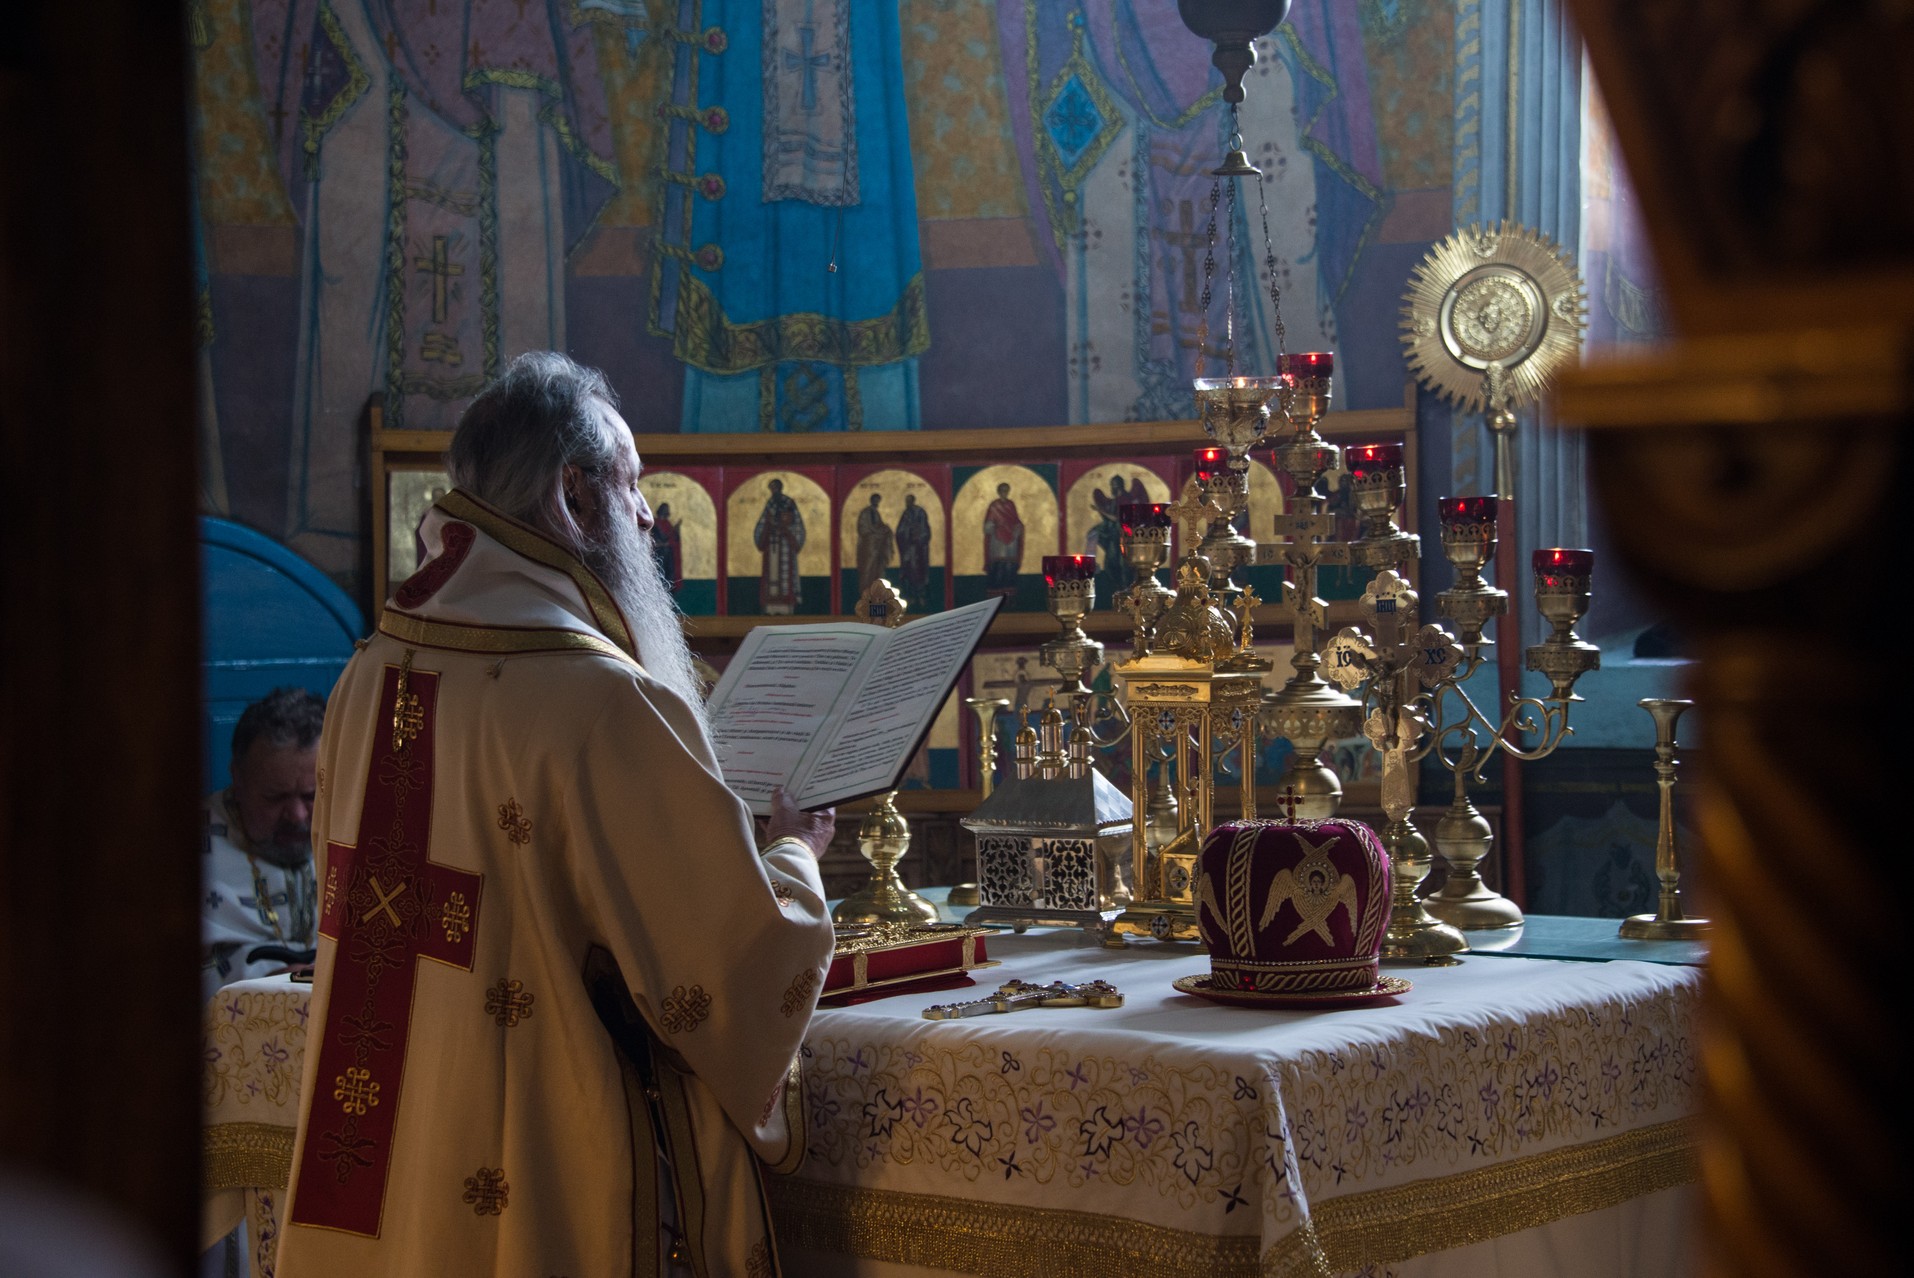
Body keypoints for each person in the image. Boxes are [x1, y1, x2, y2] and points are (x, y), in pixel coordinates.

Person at [276, 352, 837, 1276]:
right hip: (534, 1140)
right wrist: (795, 860)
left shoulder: (369, 671)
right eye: (632, 483)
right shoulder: (598, 699)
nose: (650, 515)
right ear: (573, 496)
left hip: (384, 1126)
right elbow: (723, 963)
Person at [202, 686, 325, 1001]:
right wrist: (262, 984)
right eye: (275, 797)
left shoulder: (361, 839)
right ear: (237, 779)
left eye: (311, 796)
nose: (297, 815)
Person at [755, 477, 806, 614]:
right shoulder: (770, 503)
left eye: (775, 487)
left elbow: (796, 525)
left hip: (785, 547)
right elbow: (763, 524)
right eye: (771, 488)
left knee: (785, 577)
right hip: (771, 546)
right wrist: (768, 525)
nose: (773, 490)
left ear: (779, 487)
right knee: (771, 576)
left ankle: (787, 608)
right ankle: (770, 609)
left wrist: (785, 529)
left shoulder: (788, 502)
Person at [984, 481, 1024, 595]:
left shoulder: (1011, 505)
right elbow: (989, 524)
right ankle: (995, 592)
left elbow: (1016, 520)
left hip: (1011, 540)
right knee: (998, 565)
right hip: (997, 540)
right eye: (1002, 491)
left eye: (1006, 491)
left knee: (1009, 566)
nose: (1004, 493)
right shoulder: (994, 506)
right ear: (999, 492)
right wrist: (995, 528)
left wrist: (1018, 527)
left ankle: (1009, 592)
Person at [854, 491, 895, 598]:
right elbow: (863, 528)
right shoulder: (866, 512)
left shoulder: (875, 513)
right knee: (867, 568)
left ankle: (875, 592)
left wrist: (885, 529)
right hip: (868, 547)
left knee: (877, 568)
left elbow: (878, 525)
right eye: (875, 500)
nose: (877, 502)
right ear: (872, 500)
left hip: (877, 546)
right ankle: (865, 592)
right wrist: (877, 532)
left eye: (878, 500)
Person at [894, 491, 932, 606]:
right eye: (906, 501)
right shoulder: (906, 514)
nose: (907, 503)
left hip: (919, 550)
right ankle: (910, 597)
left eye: (909, 501)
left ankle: (920, 596)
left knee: (919, 572)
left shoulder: (920, 512)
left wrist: (918, 536)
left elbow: (925, 530)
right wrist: (907, 534)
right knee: (908, 572)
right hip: (908, 549)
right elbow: (900, 531)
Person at [650, 499, 684, 593]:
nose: (666, 511)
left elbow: (673, 537)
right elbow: (655, 539)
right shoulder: (655, 523)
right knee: (660, 573)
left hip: (669, 554)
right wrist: (663, 543)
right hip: (660, 553)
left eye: (667, 509)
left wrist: (676, 530)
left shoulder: (667, 523)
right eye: (665, 509)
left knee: (669, 574)